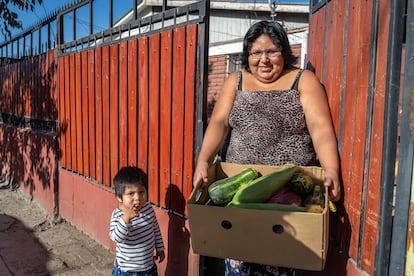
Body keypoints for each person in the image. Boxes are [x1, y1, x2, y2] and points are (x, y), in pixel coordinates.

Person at [193, 20, 341, 276]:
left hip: (287, 198)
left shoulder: (302, 80)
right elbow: (218, 123)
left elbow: (320, 128)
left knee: (279, 262)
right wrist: (203, 161)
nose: (264, 60)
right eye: (256, 52)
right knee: (239, 262)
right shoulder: (235, 81)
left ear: (283, 50)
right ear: (247, 55)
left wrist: (331, 169)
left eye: (272, 51)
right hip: (239, 193)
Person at [110, 166, 165, 276]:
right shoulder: (118, 216)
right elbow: (116, 237)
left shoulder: (148, 209)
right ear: (119, 197)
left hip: (148, 268)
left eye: (141, 192)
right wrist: (126, 219)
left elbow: (155, 229)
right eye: (131, 194)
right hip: (127, 271)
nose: (137, 198)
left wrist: (160, 248)